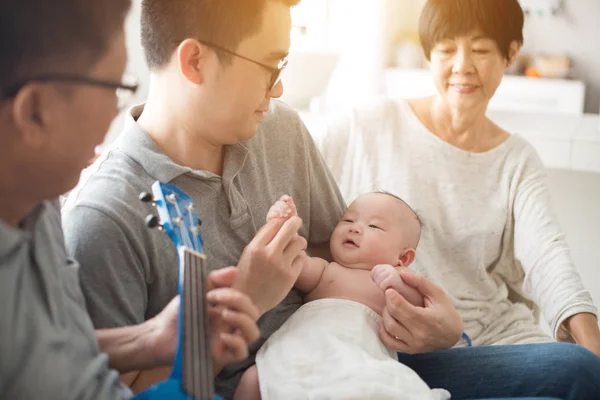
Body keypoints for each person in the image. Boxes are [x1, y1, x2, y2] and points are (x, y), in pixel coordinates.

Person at [61, 0, 368, 398]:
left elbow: (344, 257)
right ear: (195, 61)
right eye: (270, 67)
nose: (278, 88)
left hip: (352, 364)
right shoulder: (102, 217)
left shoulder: (282, 129)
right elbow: (124, 392)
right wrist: (244, 302)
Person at [318, 0, 600, 398]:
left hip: (495, 341)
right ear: (428, 54)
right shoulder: (368, 124)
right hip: (390, 343)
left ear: (511, 52)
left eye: (481, 49)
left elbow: (548, 258)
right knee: (576, 370)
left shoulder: (516, 159)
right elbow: (300, 203)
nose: (462, 66)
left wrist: (594, 348)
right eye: (447, 49)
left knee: (579, 371)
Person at [0, 0, 261, 399]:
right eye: (116, 88)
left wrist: (149, 338)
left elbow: (46, 352)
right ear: (35, 112)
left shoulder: (39, 196)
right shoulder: (93, 211)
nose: (117, 114)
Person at [235, 192, 453, 400]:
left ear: (403, 257)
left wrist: (397, 284)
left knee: (363, 387)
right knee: (254, 379)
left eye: (373, 226)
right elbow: (291, 261)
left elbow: (420, 309)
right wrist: (283, 226)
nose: (355, 229)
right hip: (300, 352)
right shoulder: (325, 271)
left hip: (358, 356)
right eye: (348, 220)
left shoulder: (400, 280)